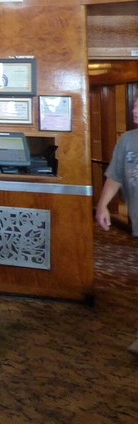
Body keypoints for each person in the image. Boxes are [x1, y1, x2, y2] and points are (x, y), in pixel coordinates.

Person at [95, 96, 138, 356]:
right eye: (134, 105)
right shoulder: (127, 140)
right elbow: (115, 176)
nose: (134, 109)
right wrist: (102, 205)